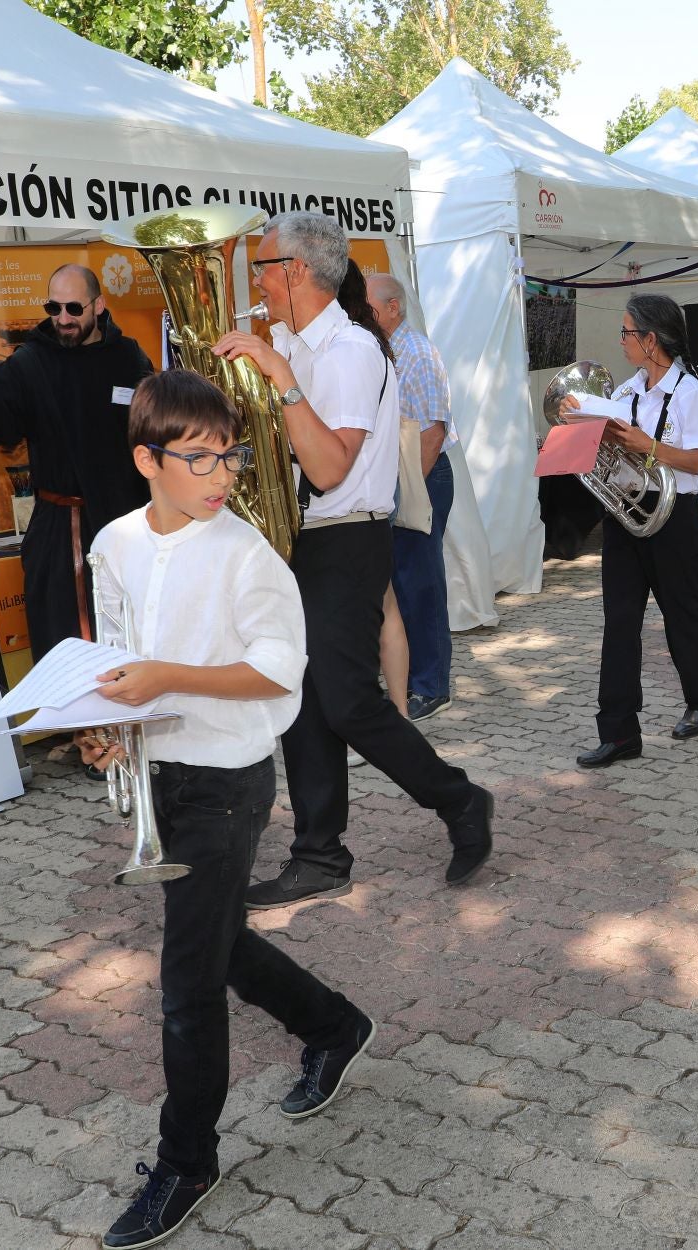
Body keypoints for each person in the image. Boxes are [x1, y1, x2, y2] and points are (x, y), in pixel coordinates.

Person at [72, 369, 376, 1250]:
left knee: (186, 984)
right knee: (215, 941)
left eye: (230, 457)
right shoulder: (116, 543)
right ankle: (334, 1025)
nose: (221, 475)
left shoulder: (247, 554)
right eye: (198, 458)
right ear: (147, 459)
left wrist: (169, 679)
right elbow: (119, 657)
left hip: (228, 780)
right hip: (162, 773)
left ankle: (187, 1162)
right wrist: (104, 729)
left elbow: (281, 670)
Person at [214, 213, 494, 907]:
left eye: (261, 267)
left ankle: (460, 800)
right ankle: (319, 853)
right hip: (295, 539)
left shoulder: (350, 351)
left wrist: (281, 378)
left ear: (296, 271)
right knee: (303, 698)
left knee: (343, 699)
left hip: (347, 537)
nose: (258, 283)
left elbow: (330, 465)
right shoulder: (287, 338)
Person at [0, 264, 154, 660]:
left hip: (127, 524)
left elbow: (156, 431)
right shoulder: (31, 362)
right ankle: (76, 725)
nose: (63, 319)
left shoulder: (129, 357)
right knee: (68, 648)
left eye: (74, 308)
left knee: (135, 638)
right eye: (54, 307)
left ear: (99, 305)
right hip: (63, 535)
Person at [567, 294, 698, 768]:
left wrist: (649, 447)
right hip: (626, 515)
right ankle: (618, 732)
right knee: (618, 624)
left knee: (682, 615)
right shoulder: (625, 392)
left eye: (627, 332)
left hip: (675, 514)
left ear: (651, 339)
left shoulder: (692, 393)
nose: (622, 340)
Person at [367, 272, 457, 721]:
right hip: (400, 478)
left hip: (422, 476)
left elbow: (433, 433)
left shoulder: (416, 352)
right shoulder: (381, 349)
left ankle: (431, 686)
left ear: (393, 308)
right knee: (401, 585)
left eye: (367, 306)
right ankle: (411, 678)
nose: (358, 313)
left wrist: (409, 495)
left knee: (421, 584)